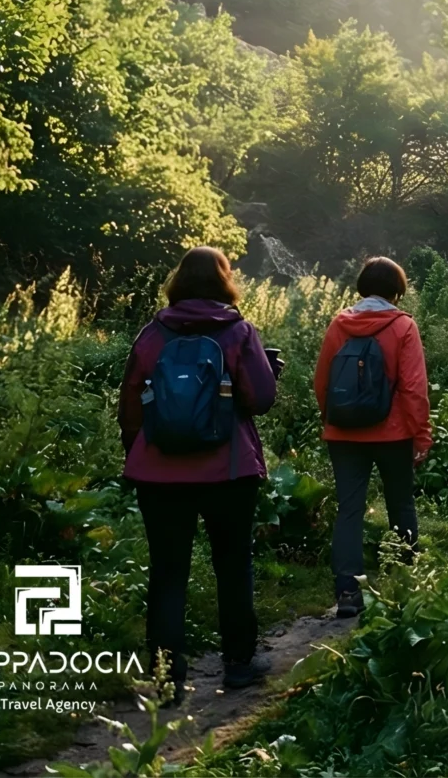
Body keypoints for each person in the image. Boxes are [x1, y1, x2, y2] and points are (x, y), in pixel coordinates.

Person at [118, 247, 280, 701]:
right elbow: (261, 397)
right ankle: (239, 665)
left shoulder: (153, 333)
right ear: (224, 281)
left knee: (168, 571)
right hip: (228, 471)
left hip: (159, 473)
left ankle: (167, 674)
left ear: (178, 281)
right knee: (232, 564)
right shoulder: (238, 332)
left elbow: (131, 402)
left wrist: (137, 451)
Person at [314, 257, 431, 618]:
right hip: (393, 431)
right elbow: (413, 387)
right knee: (400, 503)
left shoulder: (339, 324)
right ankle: (408, 582)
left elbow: (323, 381)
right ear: (398, 290)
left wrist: (332, 417)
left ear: (362, 287)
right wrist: (421, 433)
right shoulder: (402, 326)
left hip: (344, 432)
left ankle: (348, 592)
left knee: (349, 510)